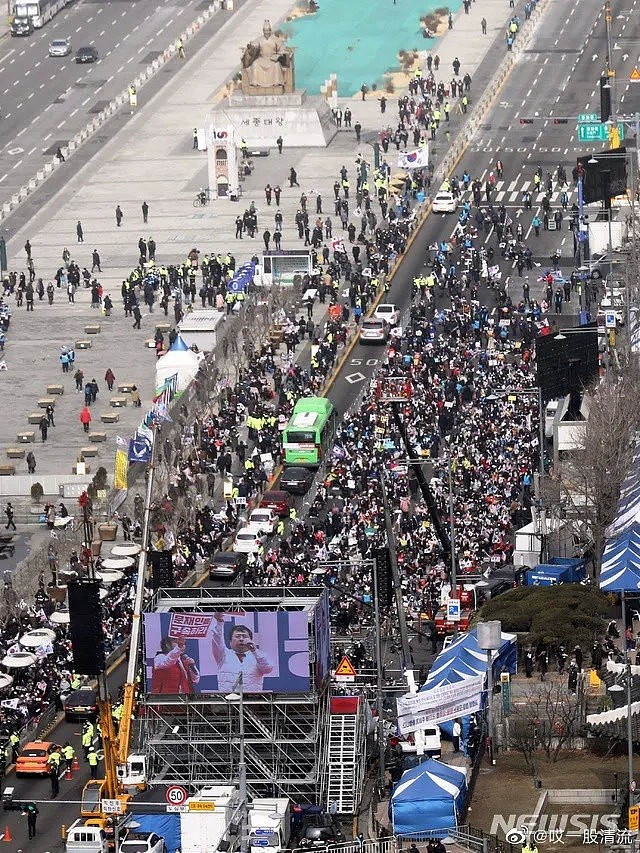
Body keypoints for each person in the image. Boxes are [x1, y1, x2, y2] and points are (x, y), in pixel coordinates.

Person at [211, 614, 274, 691]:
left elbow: (268, 669)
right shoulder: (223, 654)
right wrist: (219, 621)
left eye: (244, 636)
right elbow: (217, 640)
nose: (241, 639)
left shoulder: (259, 656)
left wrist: (255, 651)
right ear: (230, 642)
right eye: (237, 636)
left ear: (251, 640)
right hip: (228, 699)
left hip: (252, 700)